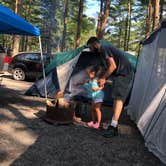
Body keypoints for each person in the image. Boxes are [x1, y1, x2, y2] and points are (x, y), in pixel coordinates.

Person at [87, 37, 134, 137]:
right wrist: (99, 78)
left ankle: (113, 127)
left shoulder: (103, 48)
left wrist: (103, 78)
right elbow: (105, 67)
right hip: (118, 75)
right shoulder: (101, 54)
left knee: (118, 98)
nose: (90, 50)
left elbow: (112, 66)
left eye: (90, 47)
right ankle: (114, 124)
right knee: (115, 98)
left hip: (124, 73)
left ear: (95, 44)